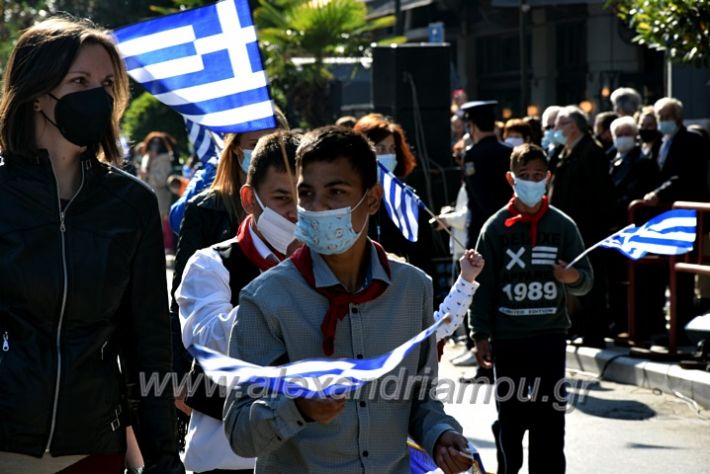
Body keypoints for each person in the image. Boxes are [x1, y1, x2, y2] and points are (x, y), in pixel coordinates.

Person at [224, 126, 473, 474]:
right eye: (306, 193)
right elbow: (239, 431)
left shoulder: (413, 289)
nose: (316, 207)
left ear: (371, 199)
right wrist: (297, 408)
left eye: (335, 192)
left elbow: (422, 399)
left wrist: (440, 435)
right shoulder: (266, 300)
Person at [0, 17, 182, 473]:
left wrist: (163, 457)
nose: (96, 97)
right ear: (37, 91)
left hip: (93, 450)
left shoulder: (131, 203)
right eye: (79, 81)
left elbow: (147, 345)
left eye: (106, 84)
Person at [175, 131, 301, 474]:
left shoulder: (332, 267)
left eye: (306, 197)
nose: (295, 213)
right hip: (228, 458)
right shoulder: (210, 265)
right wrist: (291, 280)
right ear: (249, 199)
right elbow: (211, 343)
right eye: (281, 198)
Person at [472, 143, 593, 474]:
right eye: (524, 176)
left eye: (538, 175)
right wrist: (479, 332)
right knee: (511, 417)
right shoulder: (495, 228)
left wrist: (572, 276)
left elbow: (586, 279)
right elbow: (482, 286)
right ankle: (508, 467)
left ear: (548, 178)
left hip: (549, 335)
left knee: (550, 418)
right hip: (508, 338)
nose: (531, 181)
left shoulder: (563, 225)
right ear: (511, 178)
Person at [550, 105, 615, 347]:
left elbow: (601, 194)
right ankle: (581, 327)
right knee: (574, 281)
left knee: (591, 281)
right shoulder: (566, 152)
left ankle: (594, 333)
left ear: (574, 126)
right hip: (570, 228)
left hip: (588, 228)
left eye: (560, 124)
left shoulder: (590, 152)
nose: (555, 129)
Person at [459, 100, 512, 368]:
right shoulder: (508, 152)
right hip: (510, 231)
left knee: (479, 292)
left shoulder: (474, 155)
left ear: (472, 125)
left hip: (483, 232)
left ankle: (480, 352)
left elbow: (478, 198)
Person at [353, 113, 435, 276]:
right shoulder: (351, 199)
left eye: (392, 149)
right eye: (381, 149)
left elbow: (423, 255)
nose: (388, 155)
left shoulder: (406, 197)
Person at [607, 116, 660, 335]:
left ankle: (637, 324)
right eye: (619, 135)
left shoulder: (643, 161)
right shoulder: (611, 158)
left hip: (633, 228)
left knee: (637, 281)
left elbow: (632, 192)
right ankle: (619, 321)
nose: (623, 139)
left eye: (627, 134)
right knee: (616, 281)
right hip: (614, 229)